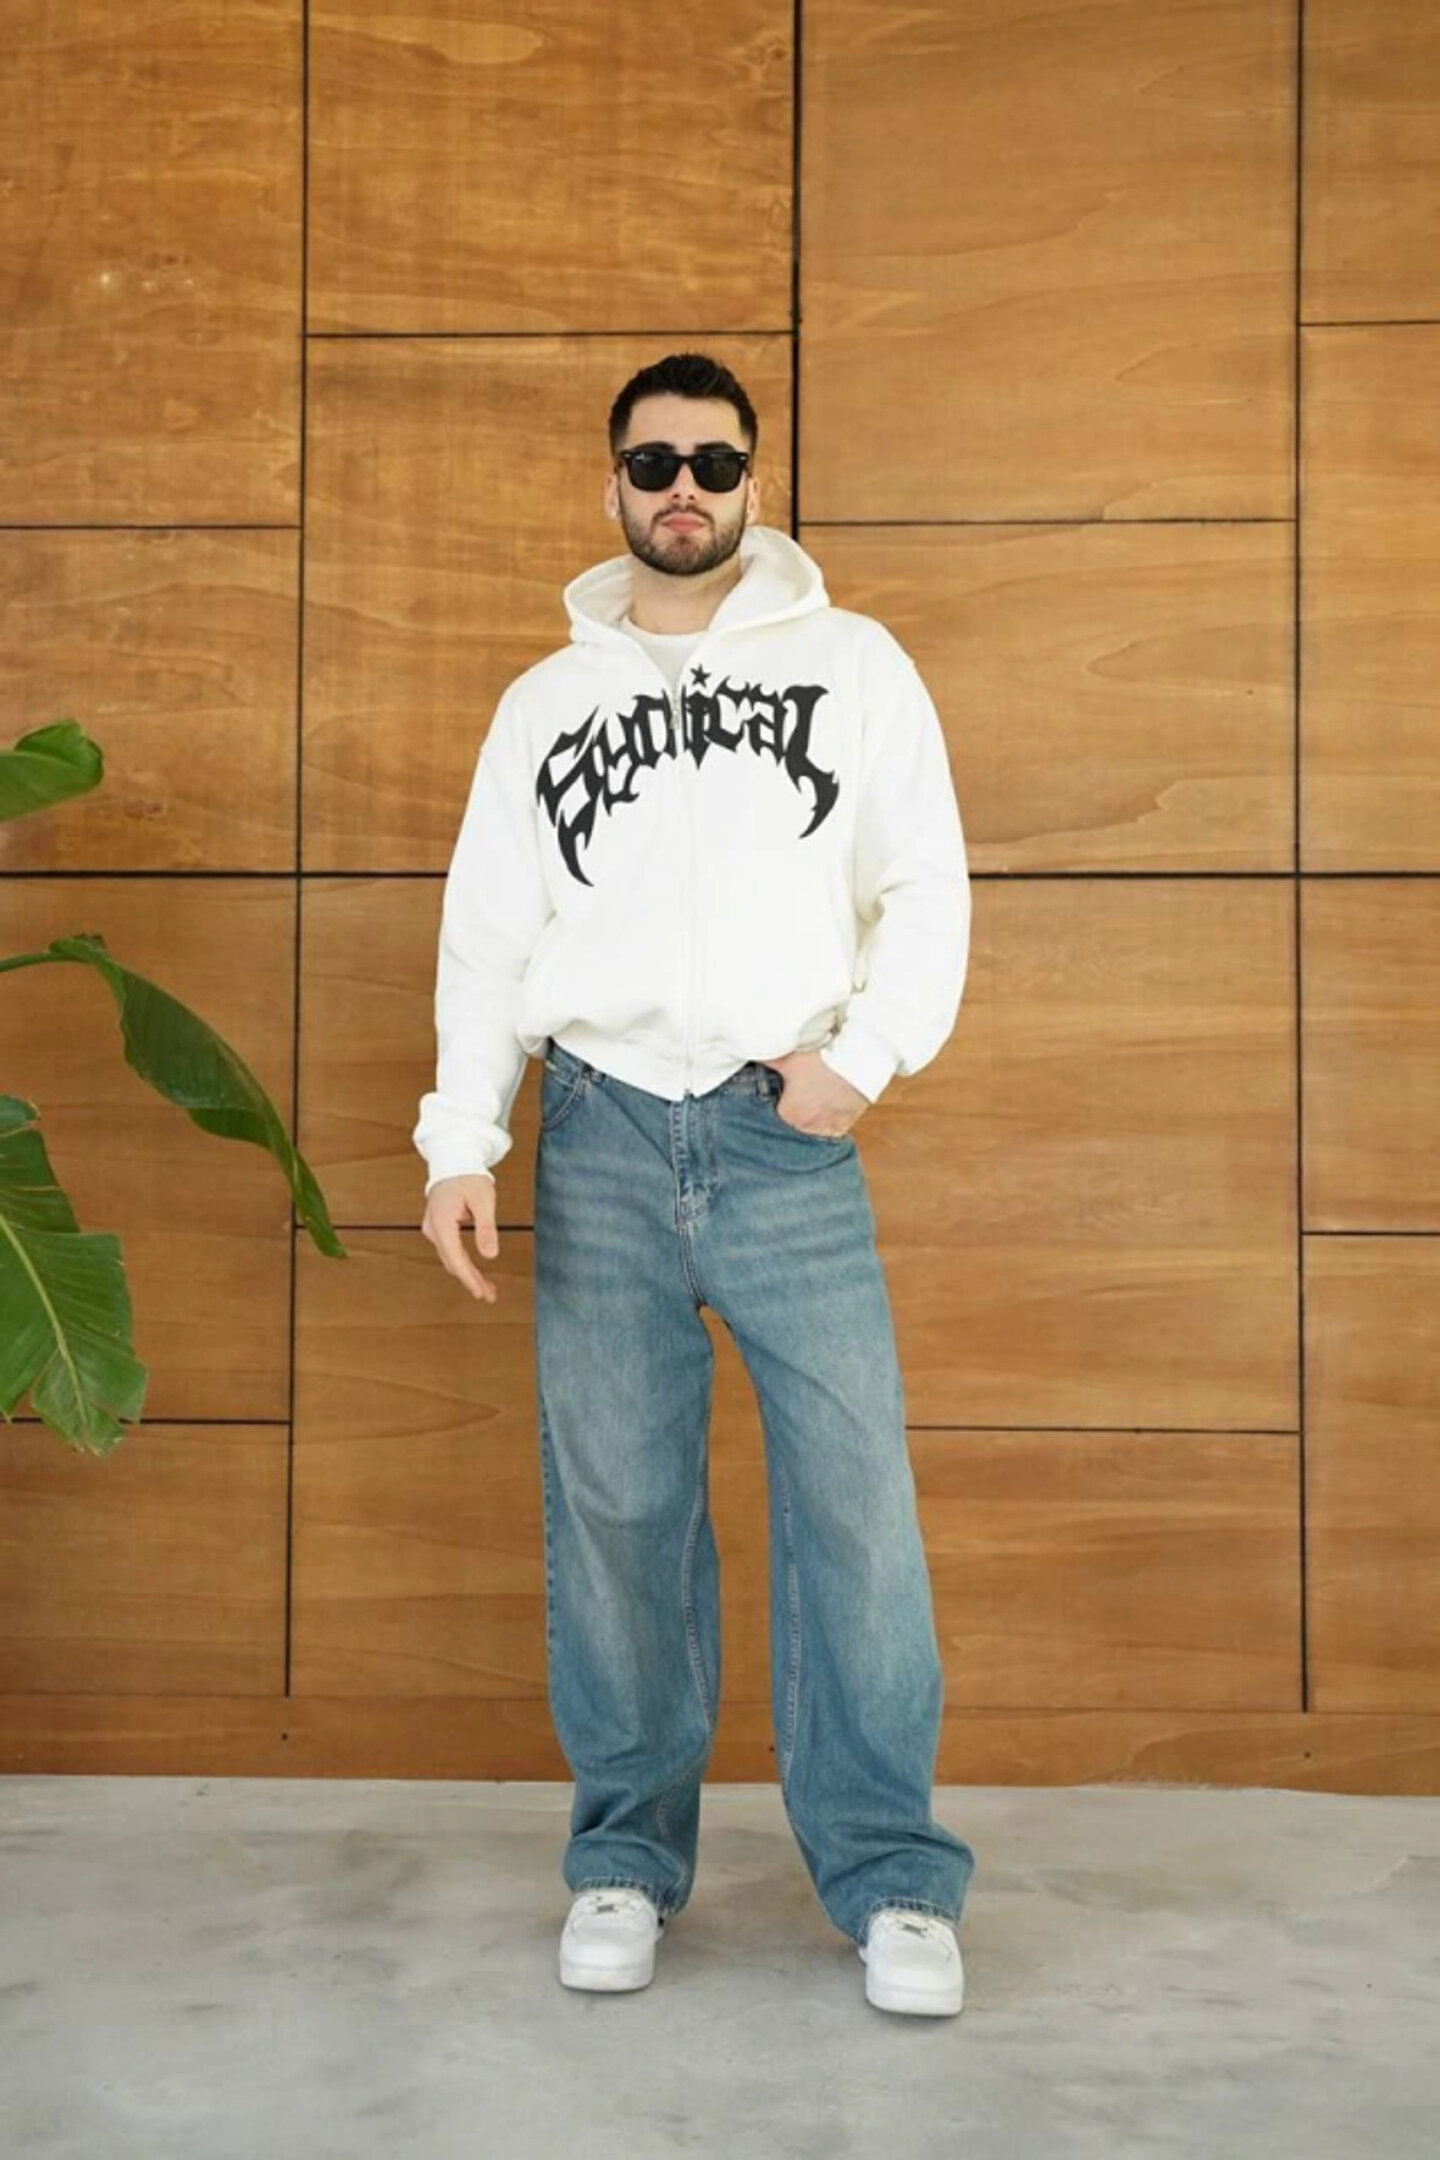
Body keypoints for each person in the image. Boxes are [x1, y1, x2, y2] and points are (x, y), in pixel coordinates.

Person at [414, 350, 976, 2017]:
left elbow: (924, 884)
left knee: (856, 1509)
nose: (683, 489)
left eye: (713, 464)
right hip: (597, 1130)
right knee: (618, 1515)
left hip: (781, 1141)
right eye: (652, 462)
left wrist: (866, 1060)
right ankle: (623, 1860)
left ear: (752, 483)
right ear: (611, 485)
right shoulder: (546, 702)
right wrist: (462, 1140)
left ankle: (893, 1879)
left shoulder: (854, 666)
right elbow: (486, 934)